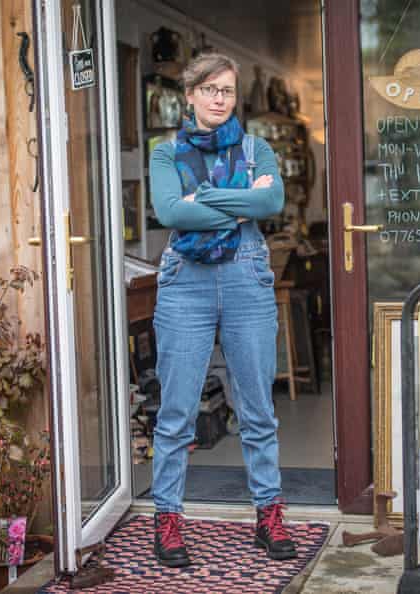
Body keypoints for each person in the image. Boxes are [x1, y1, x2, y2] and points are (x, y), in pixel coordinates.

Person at [148, 52, 295, 568]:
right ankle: (168, 518)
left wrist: (205, 198)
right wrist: (237, 198)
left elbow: (271, 204)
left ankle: (269, 515)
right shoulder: (165, 156)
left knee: (257, 409)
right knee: (176, 413)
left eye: (227, 91)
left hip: (247, 280)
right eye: (209, 89)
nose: (218, 99)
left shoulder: (257, 149)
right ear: (189, 95)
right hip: (184, 286)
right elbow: (169, 210)